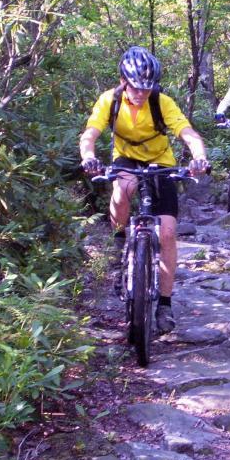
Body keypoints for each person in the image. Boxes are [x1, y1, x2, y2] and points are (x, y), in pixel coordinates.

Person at [79, 46, 209, 333]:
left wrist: (199, 156)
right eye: (136, 88)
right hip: (125, 158)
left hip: (160, 162)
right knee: (122, 187)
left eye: (146, 88)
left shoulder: (161, 102)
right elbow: (91, 133)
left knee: (167, 232)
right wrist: (88, 157)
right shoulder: (110, 101)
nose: (141, 93)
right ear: (124, 81)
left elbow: (187, 132)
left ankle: (164, 304)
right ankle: (119, 239)